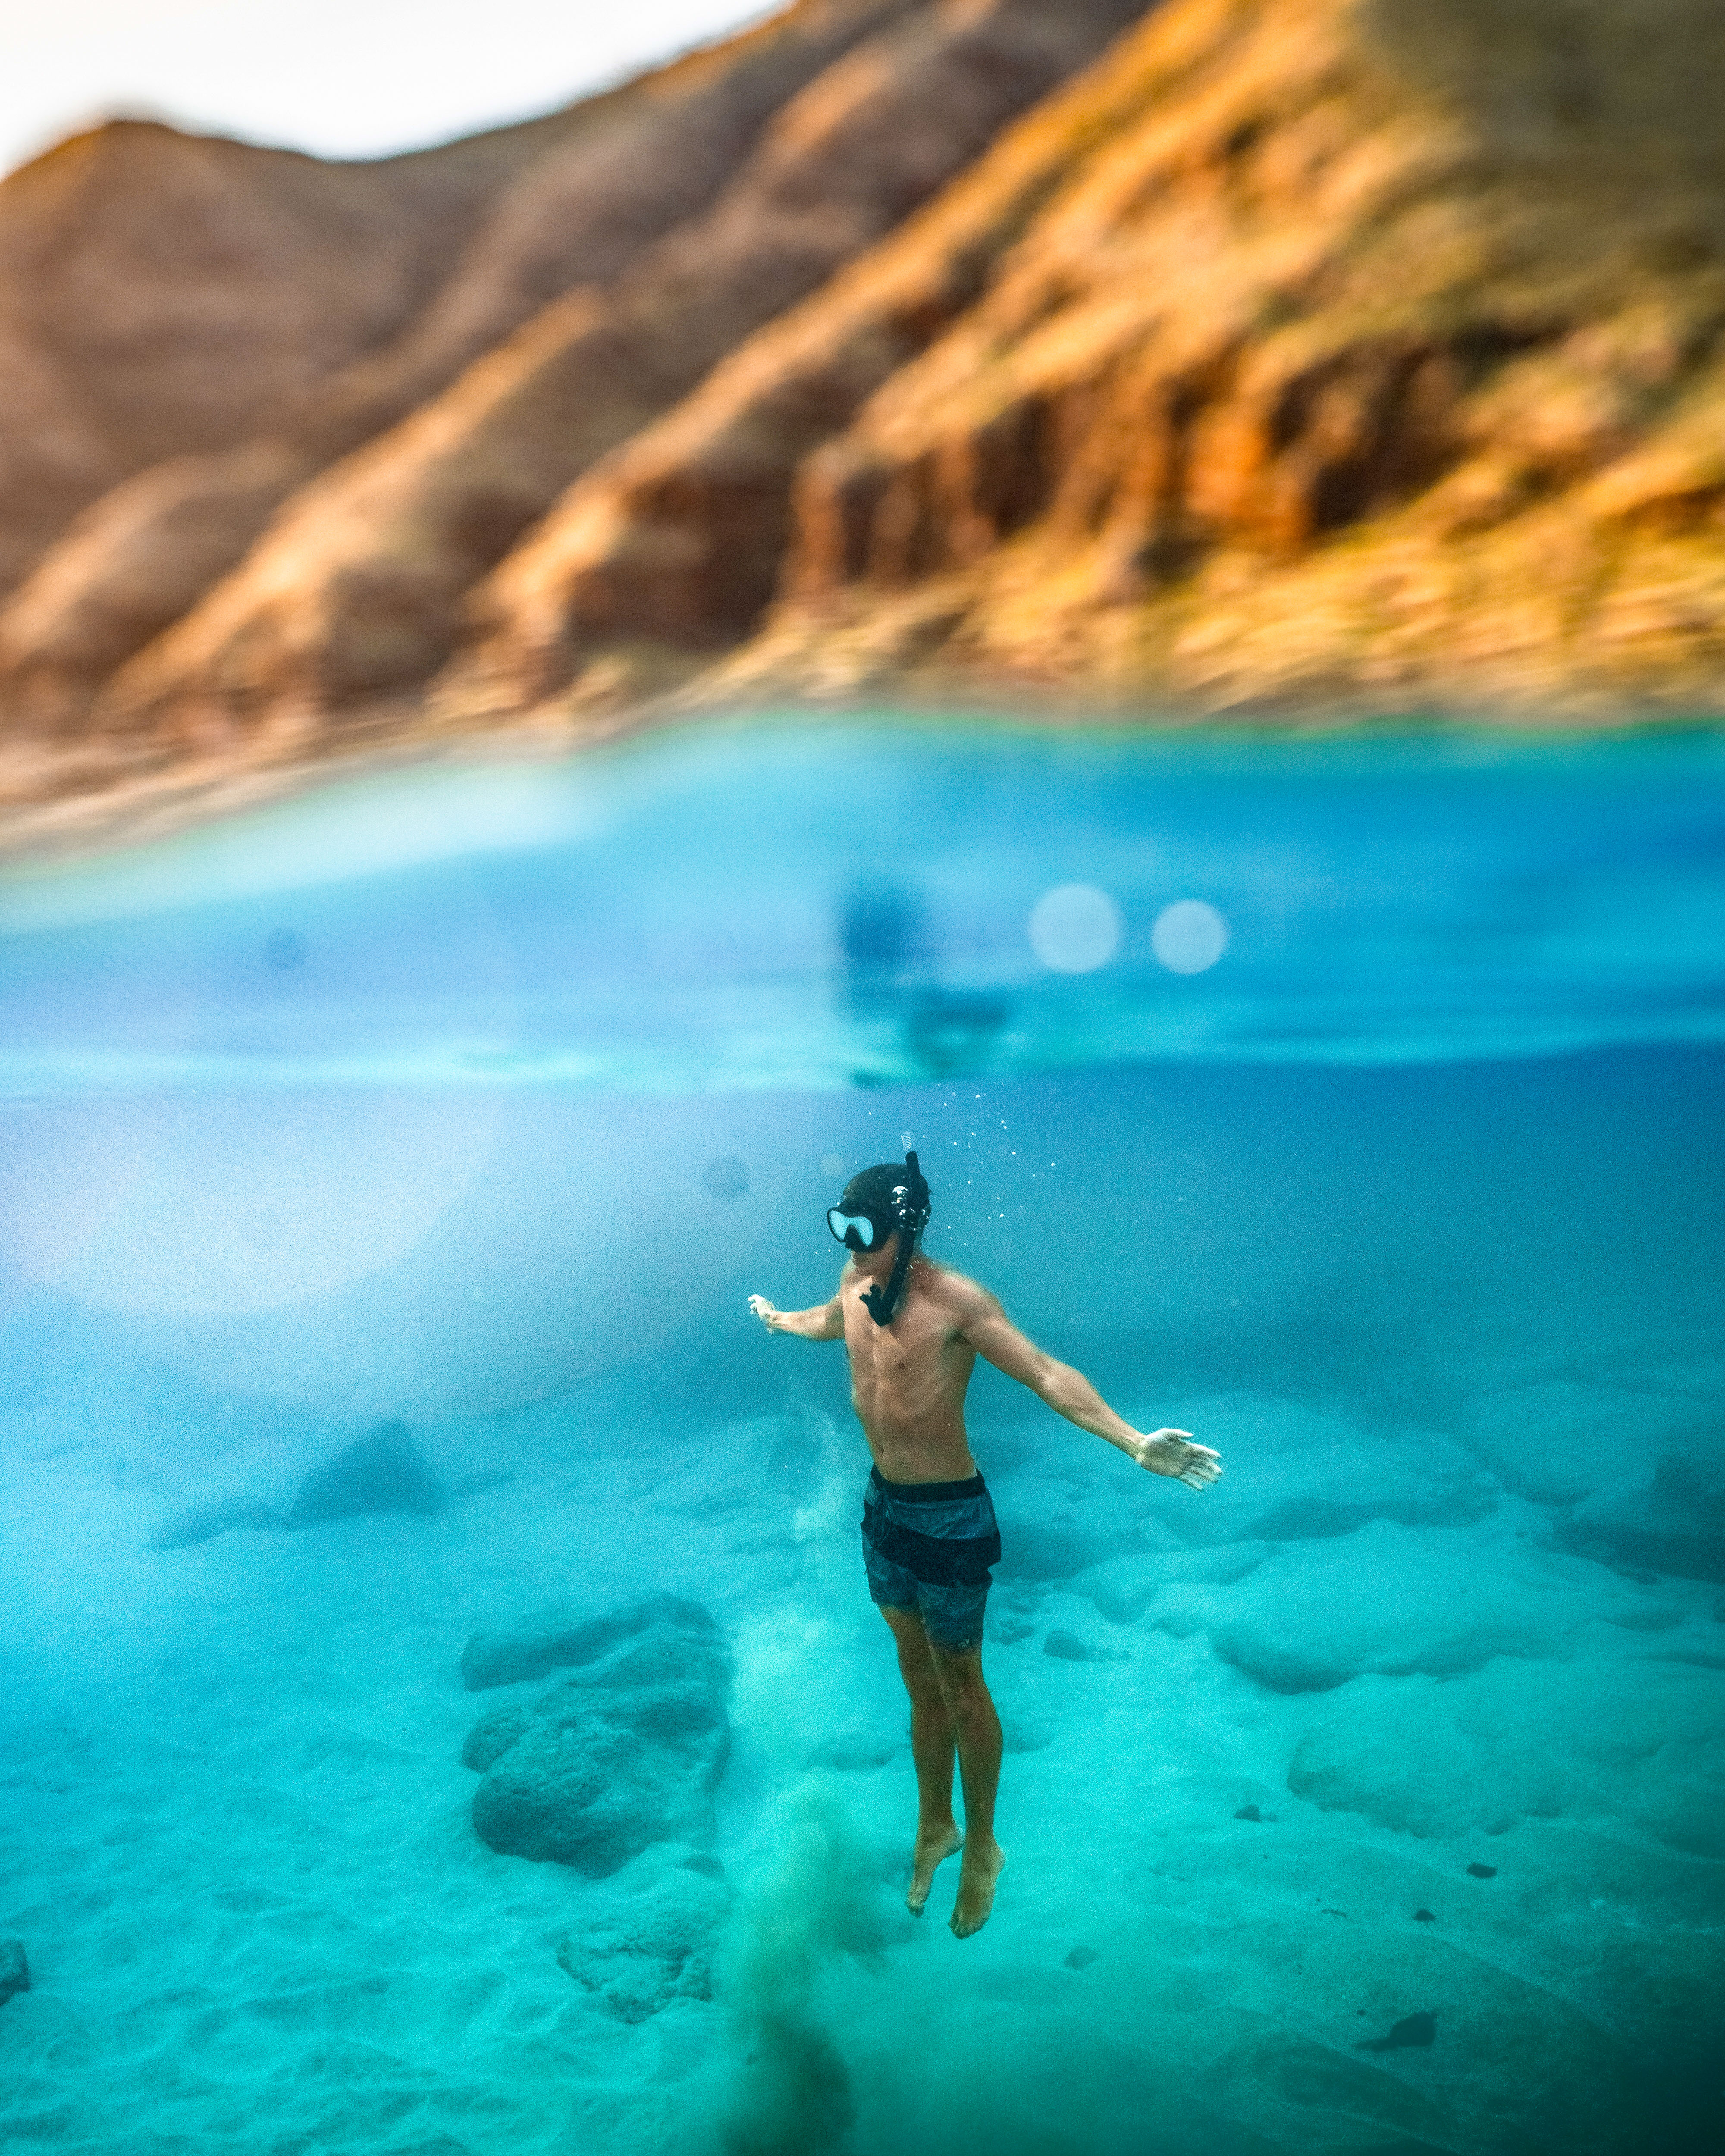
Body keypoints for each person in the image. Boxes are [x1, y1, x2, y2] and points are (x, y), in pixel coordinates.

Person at [748, 1150, 1222, 1938]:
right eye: (839, 1227)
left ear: (904, 1229)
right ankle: (936, 1826)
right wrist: (778, 1320)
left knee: (962, 1686)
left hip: (949, 1518)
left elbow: (1044, 1372)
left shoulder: (957, 1302)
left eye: (861, 1231)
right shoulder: (856, 1280)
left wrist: (1132, 1441)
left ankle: (984, 1847)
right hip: (884, 1510)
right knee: (916, 1677)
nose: (848, 1246)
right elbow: (830, 1321)